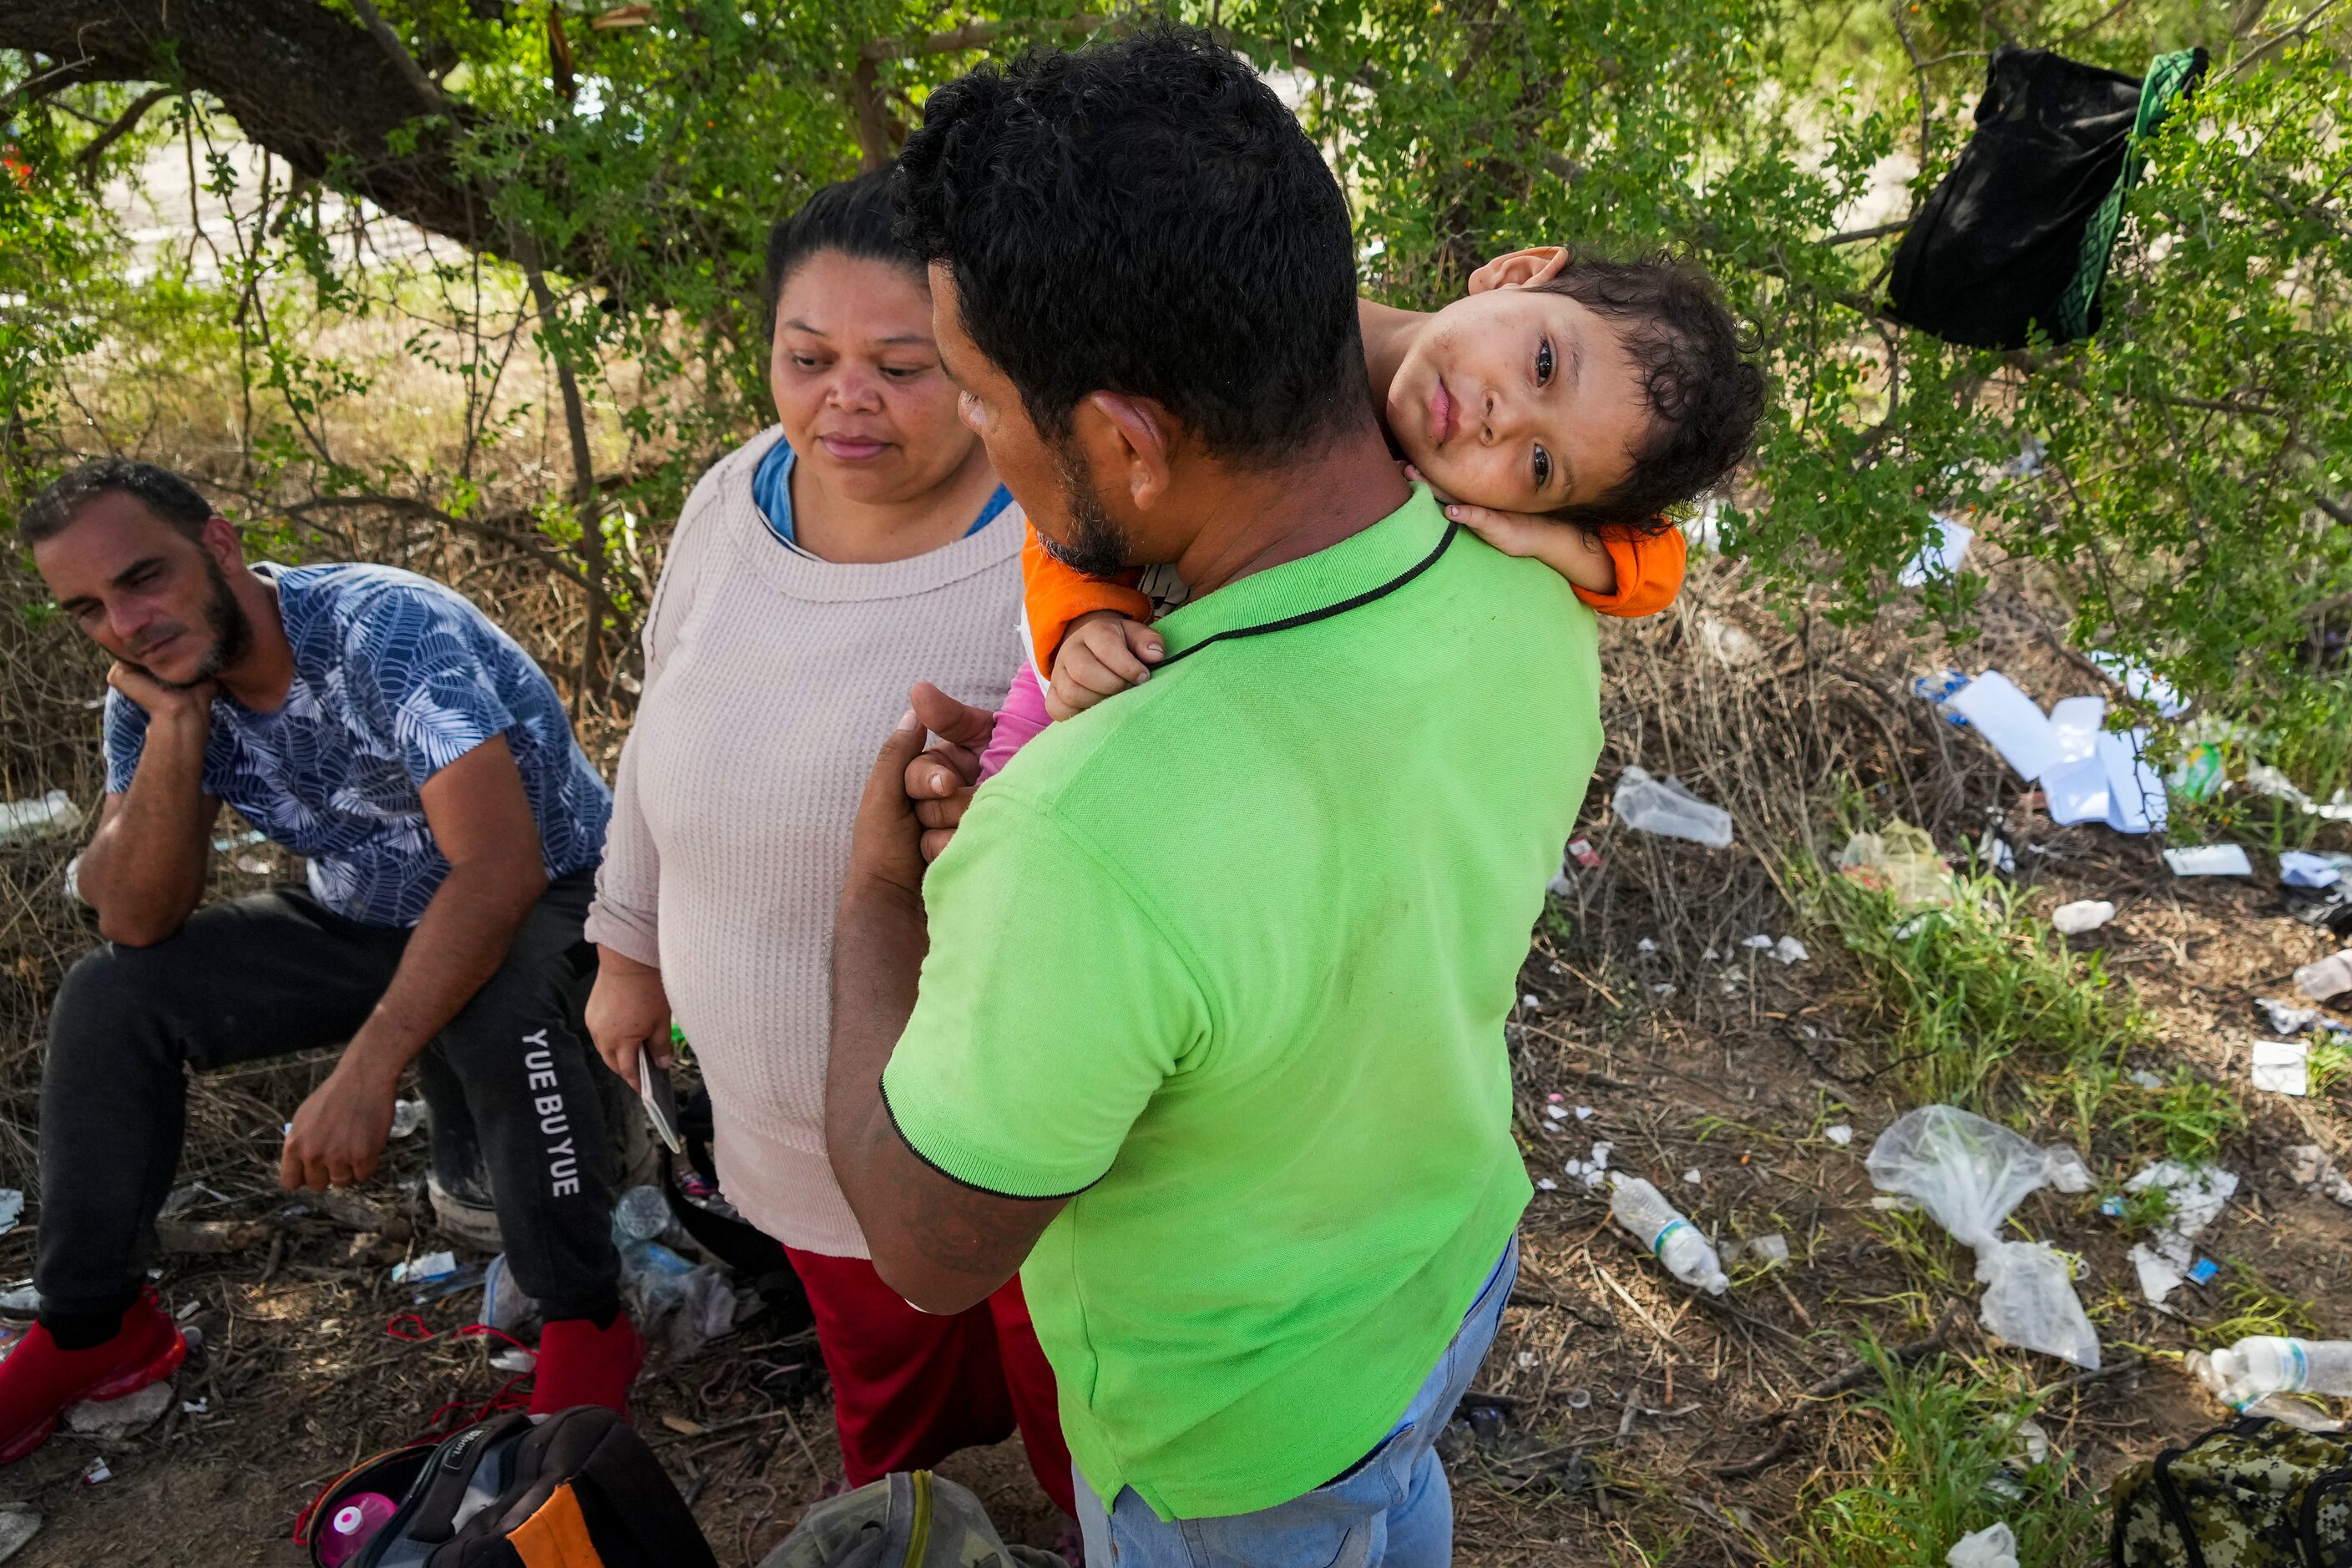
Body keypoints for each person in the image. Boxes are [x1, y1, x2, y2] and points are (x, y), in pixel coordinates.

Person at [826, 28, 1721, 1565]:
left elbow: (926, 1245)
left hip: (1234, 1436)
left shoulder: (1087, 833)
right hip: (1441, 1271)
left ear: (1121, 437)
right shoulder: (1529, 585)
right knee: (1390, 1494)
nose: (974, 434)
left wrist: (876, 896)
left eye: (977, 399)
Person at [578, 172, 1079, 1537]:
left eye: (901, 366)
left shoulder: (1052, 536)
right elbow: (660, 723)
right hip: (785, 1094)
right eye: (809, 358)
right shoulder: (735, 495)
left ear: (980, 359)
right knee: (877, 1350)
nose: (844, 397)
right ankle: (905, 1519)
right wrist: (626, 945)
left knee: (1066, 1370)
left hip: (996, 1085)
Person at [2, 458, 632, 1463]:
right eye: (88, 610)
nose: (126, 623)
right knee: (110, 998)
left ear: (218, 543)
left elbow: (500, 867)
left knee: (497, 1009)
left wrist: (366, 1070)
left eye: (142, 579)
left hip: (556, 891)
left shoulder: (380, 628)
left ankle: (585, 1320)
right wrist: (173, 731)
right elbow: (132, 920)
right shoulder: (155, 686)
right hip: (367, 914)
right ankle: (95, 1326)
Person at [982, 242, 1757, 766]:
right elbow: (1073, 489)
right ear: (1514, 271)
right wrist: (1080, 620)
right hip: (1073, 679)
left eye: (1541, 463)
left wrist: (1550, 539)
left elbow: (1660, 562)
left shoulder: (1418, 474)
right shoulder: (1268, 326)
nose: (1504, 418)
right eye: (1544, 365)